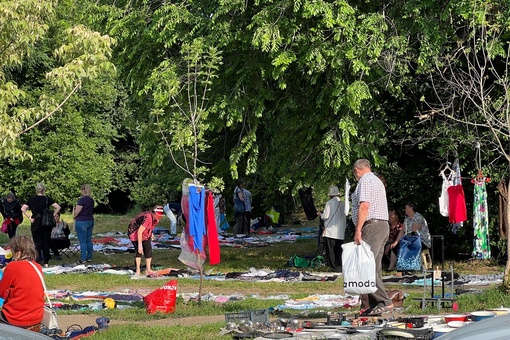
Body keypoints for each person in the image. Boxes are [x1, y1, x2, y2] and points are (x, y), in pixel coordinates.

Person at [351, 159, 393, 315]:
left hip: (372, 226)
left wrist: (358, 229)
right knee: (374, 267)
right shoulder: (376, 180)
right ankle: (374, 304)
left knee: (365, 266)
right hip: (382, 225)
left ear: (357, 170)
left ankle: (384, 301)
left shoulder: (365, 181)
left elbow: (364, 206)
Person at [0, 236, 44, 330]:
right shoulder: (38, 267)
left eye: (12, 252)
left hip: (16, 317)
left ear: (19, 252)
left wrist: (5, 273)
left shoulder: (13, 267)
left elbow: (1, 292)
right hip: (37, 316)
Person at [21, 183, 61, 267]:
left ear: (36, 190)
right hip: (46, 222)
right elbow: (58, 207)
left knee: (37, 242)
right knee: (46, 242)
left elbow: (23, 208)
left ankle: (38, 261)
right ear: (44, 190)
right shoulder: (47, 199)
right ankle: (46, 262)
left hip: (36, 221)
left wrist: (29, 217)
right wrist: (53, 215)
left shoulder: (32, 199)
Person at [128, 205, 165, 276]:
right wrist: (139, 245)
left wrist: (151, 233)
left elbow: (150, 227)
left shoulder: (156, 219)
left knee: (148, 250)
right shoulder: (148, 217)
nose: (159, 217)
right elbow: (139, 231)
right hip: (135, 233)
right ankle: (138, 270)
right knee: (139, 251)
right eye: (158, 215)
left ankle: (148, 269)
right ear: (153, 213)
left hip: (144, 233)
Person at [317, 185, 346, 272]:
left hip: (331, 230)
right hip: (340, 231)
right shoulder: (343, 204)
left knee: (331, 250)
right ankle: (340, 265)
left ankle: (333, 267)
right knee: (339, 250)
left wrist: (320, 214)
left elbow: (325, 216)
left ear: (330, 195)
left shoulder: (329, 203)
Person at [73, 184, 95, 264]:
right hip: (90, 220)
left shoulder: (81, 200)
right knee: (88, 240)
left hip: (82, 221)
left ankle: (83, 258)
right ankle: (89, 257)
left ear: (83, 190)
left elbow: (77, 211)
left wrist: (74, 216)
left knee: (82, 241)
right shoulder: (91, 200)